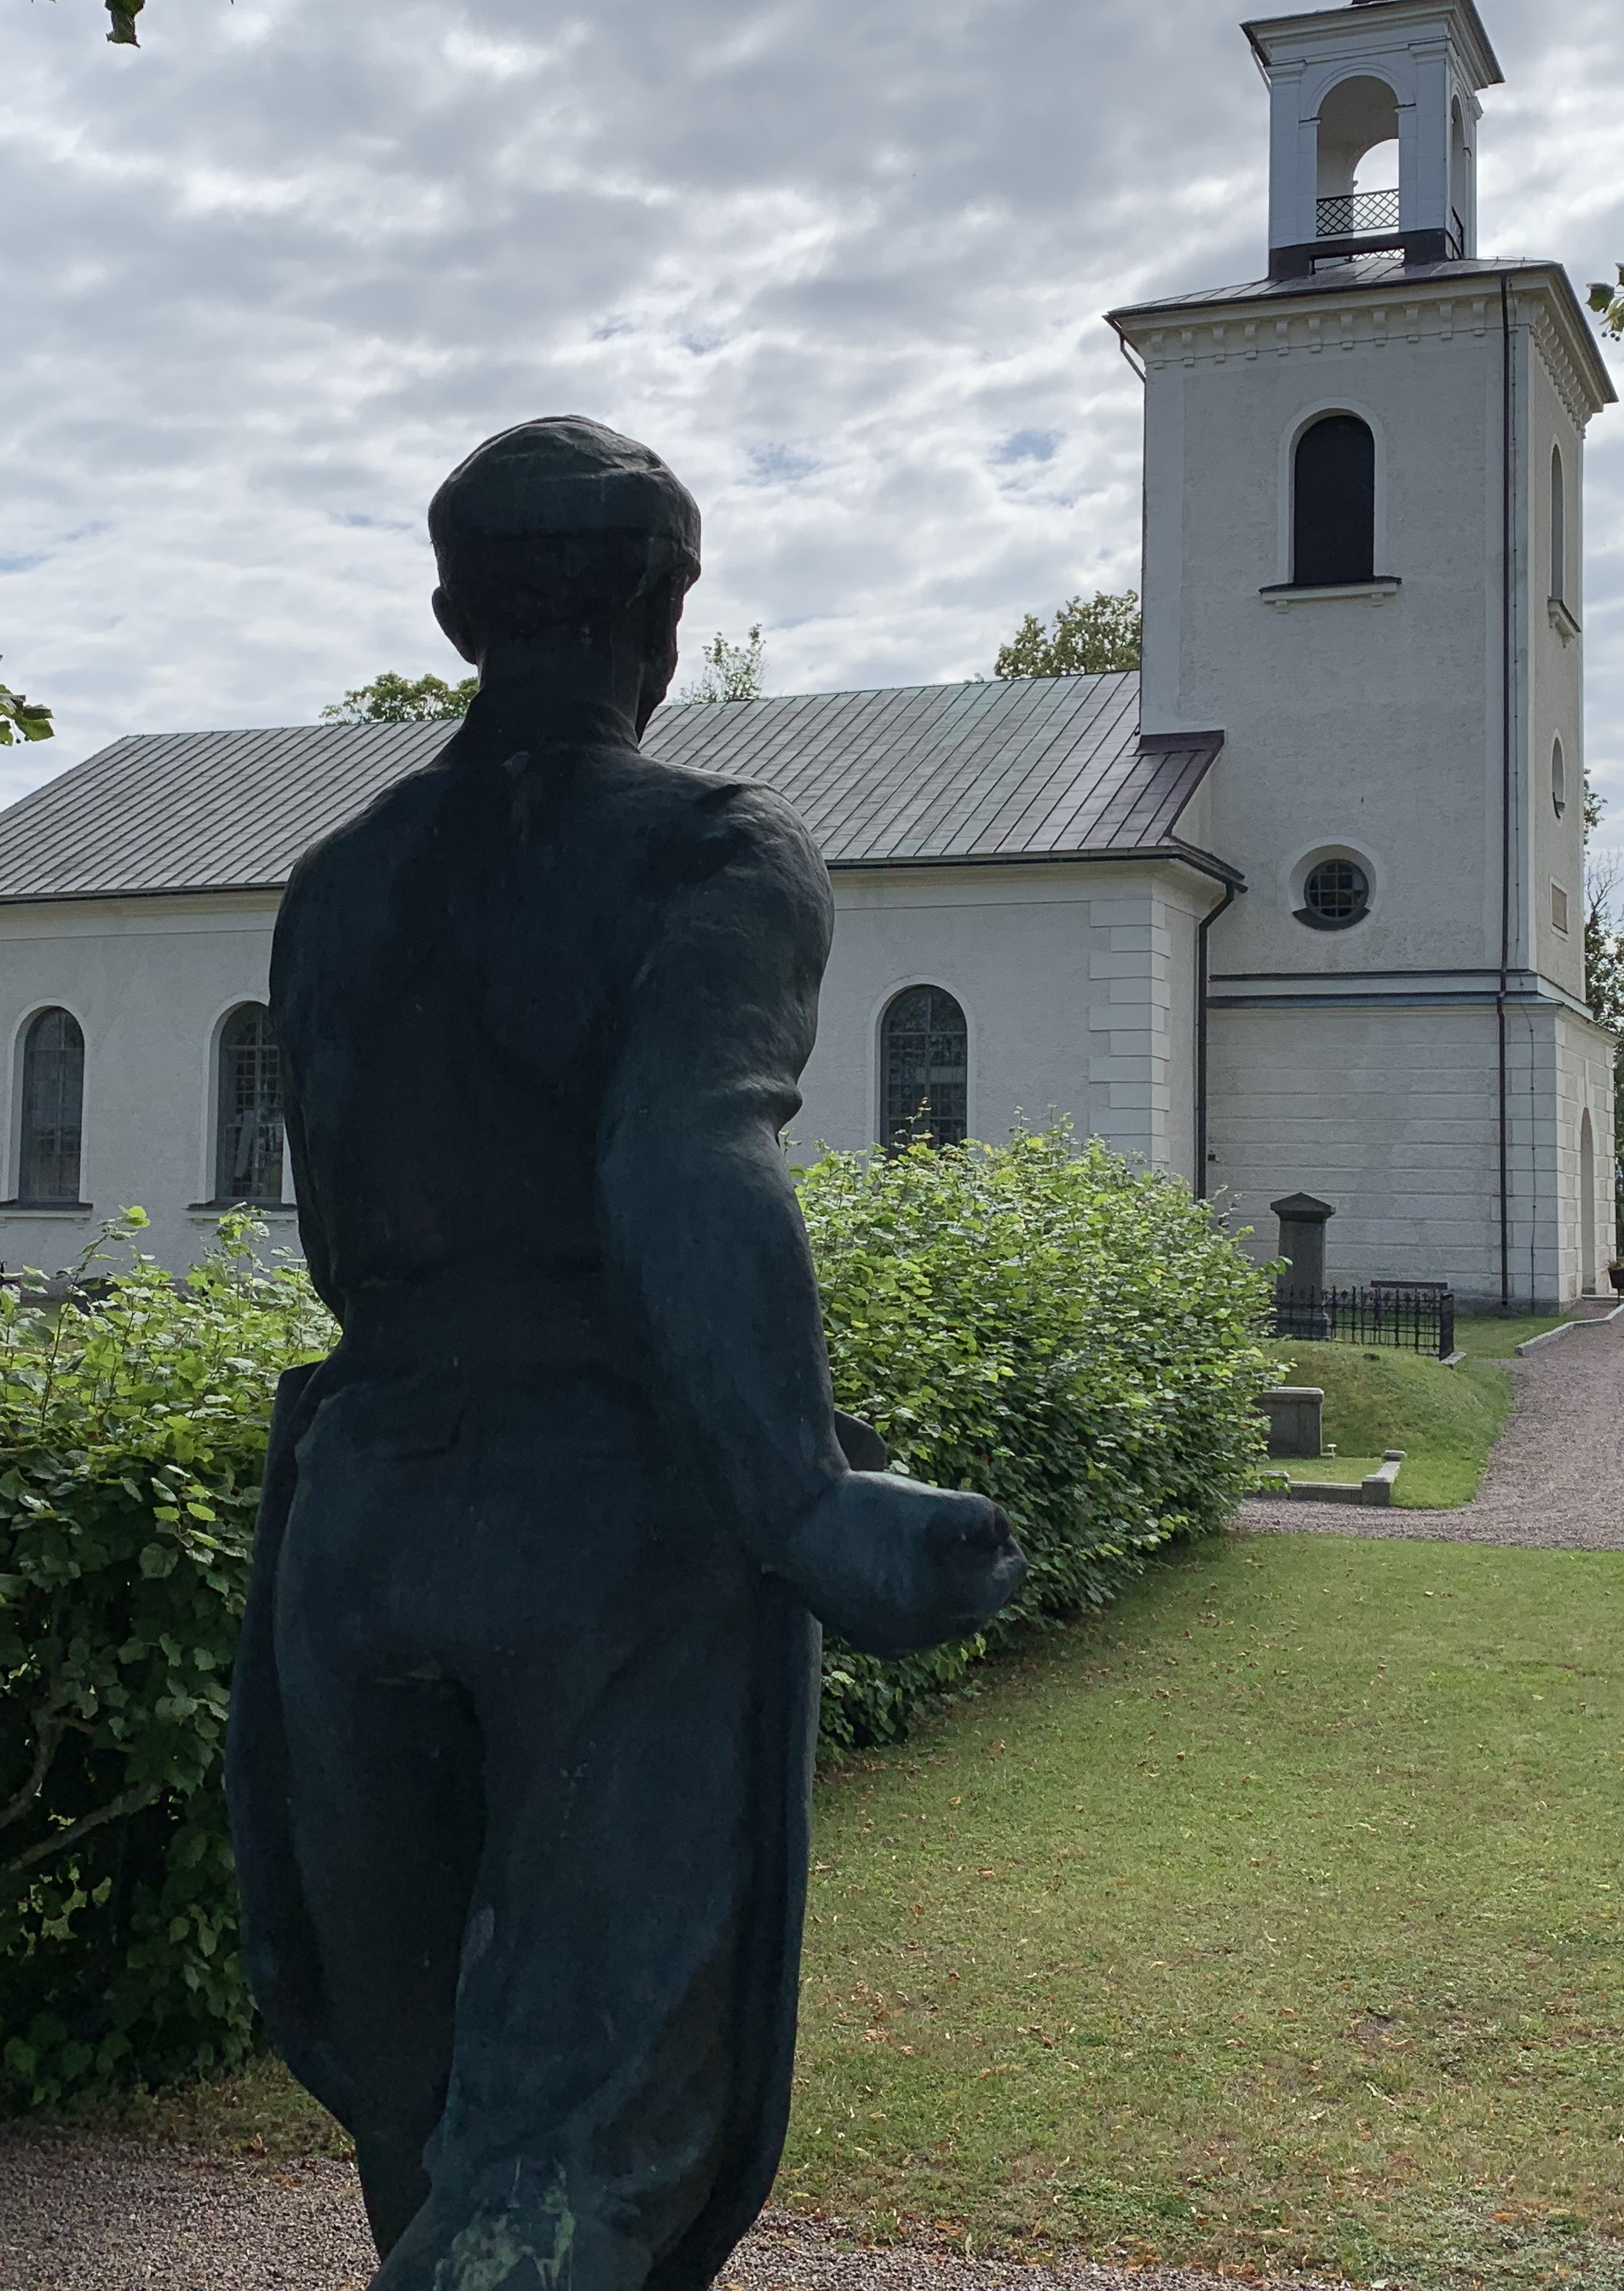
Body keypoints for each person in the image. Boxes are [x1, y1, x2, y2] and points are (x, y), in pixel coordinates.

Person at [227, 416, 1025, 2291]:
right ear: (666, 615)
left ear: (455, 616)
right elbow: (686, 1150)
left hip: (360, 1510)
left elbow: (336, 1217)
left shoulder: (338, 881)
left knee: (423, 2115)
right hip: (609, 1512)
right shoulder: (714, 850)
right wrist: (803, 1496)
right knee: (574, 2153)